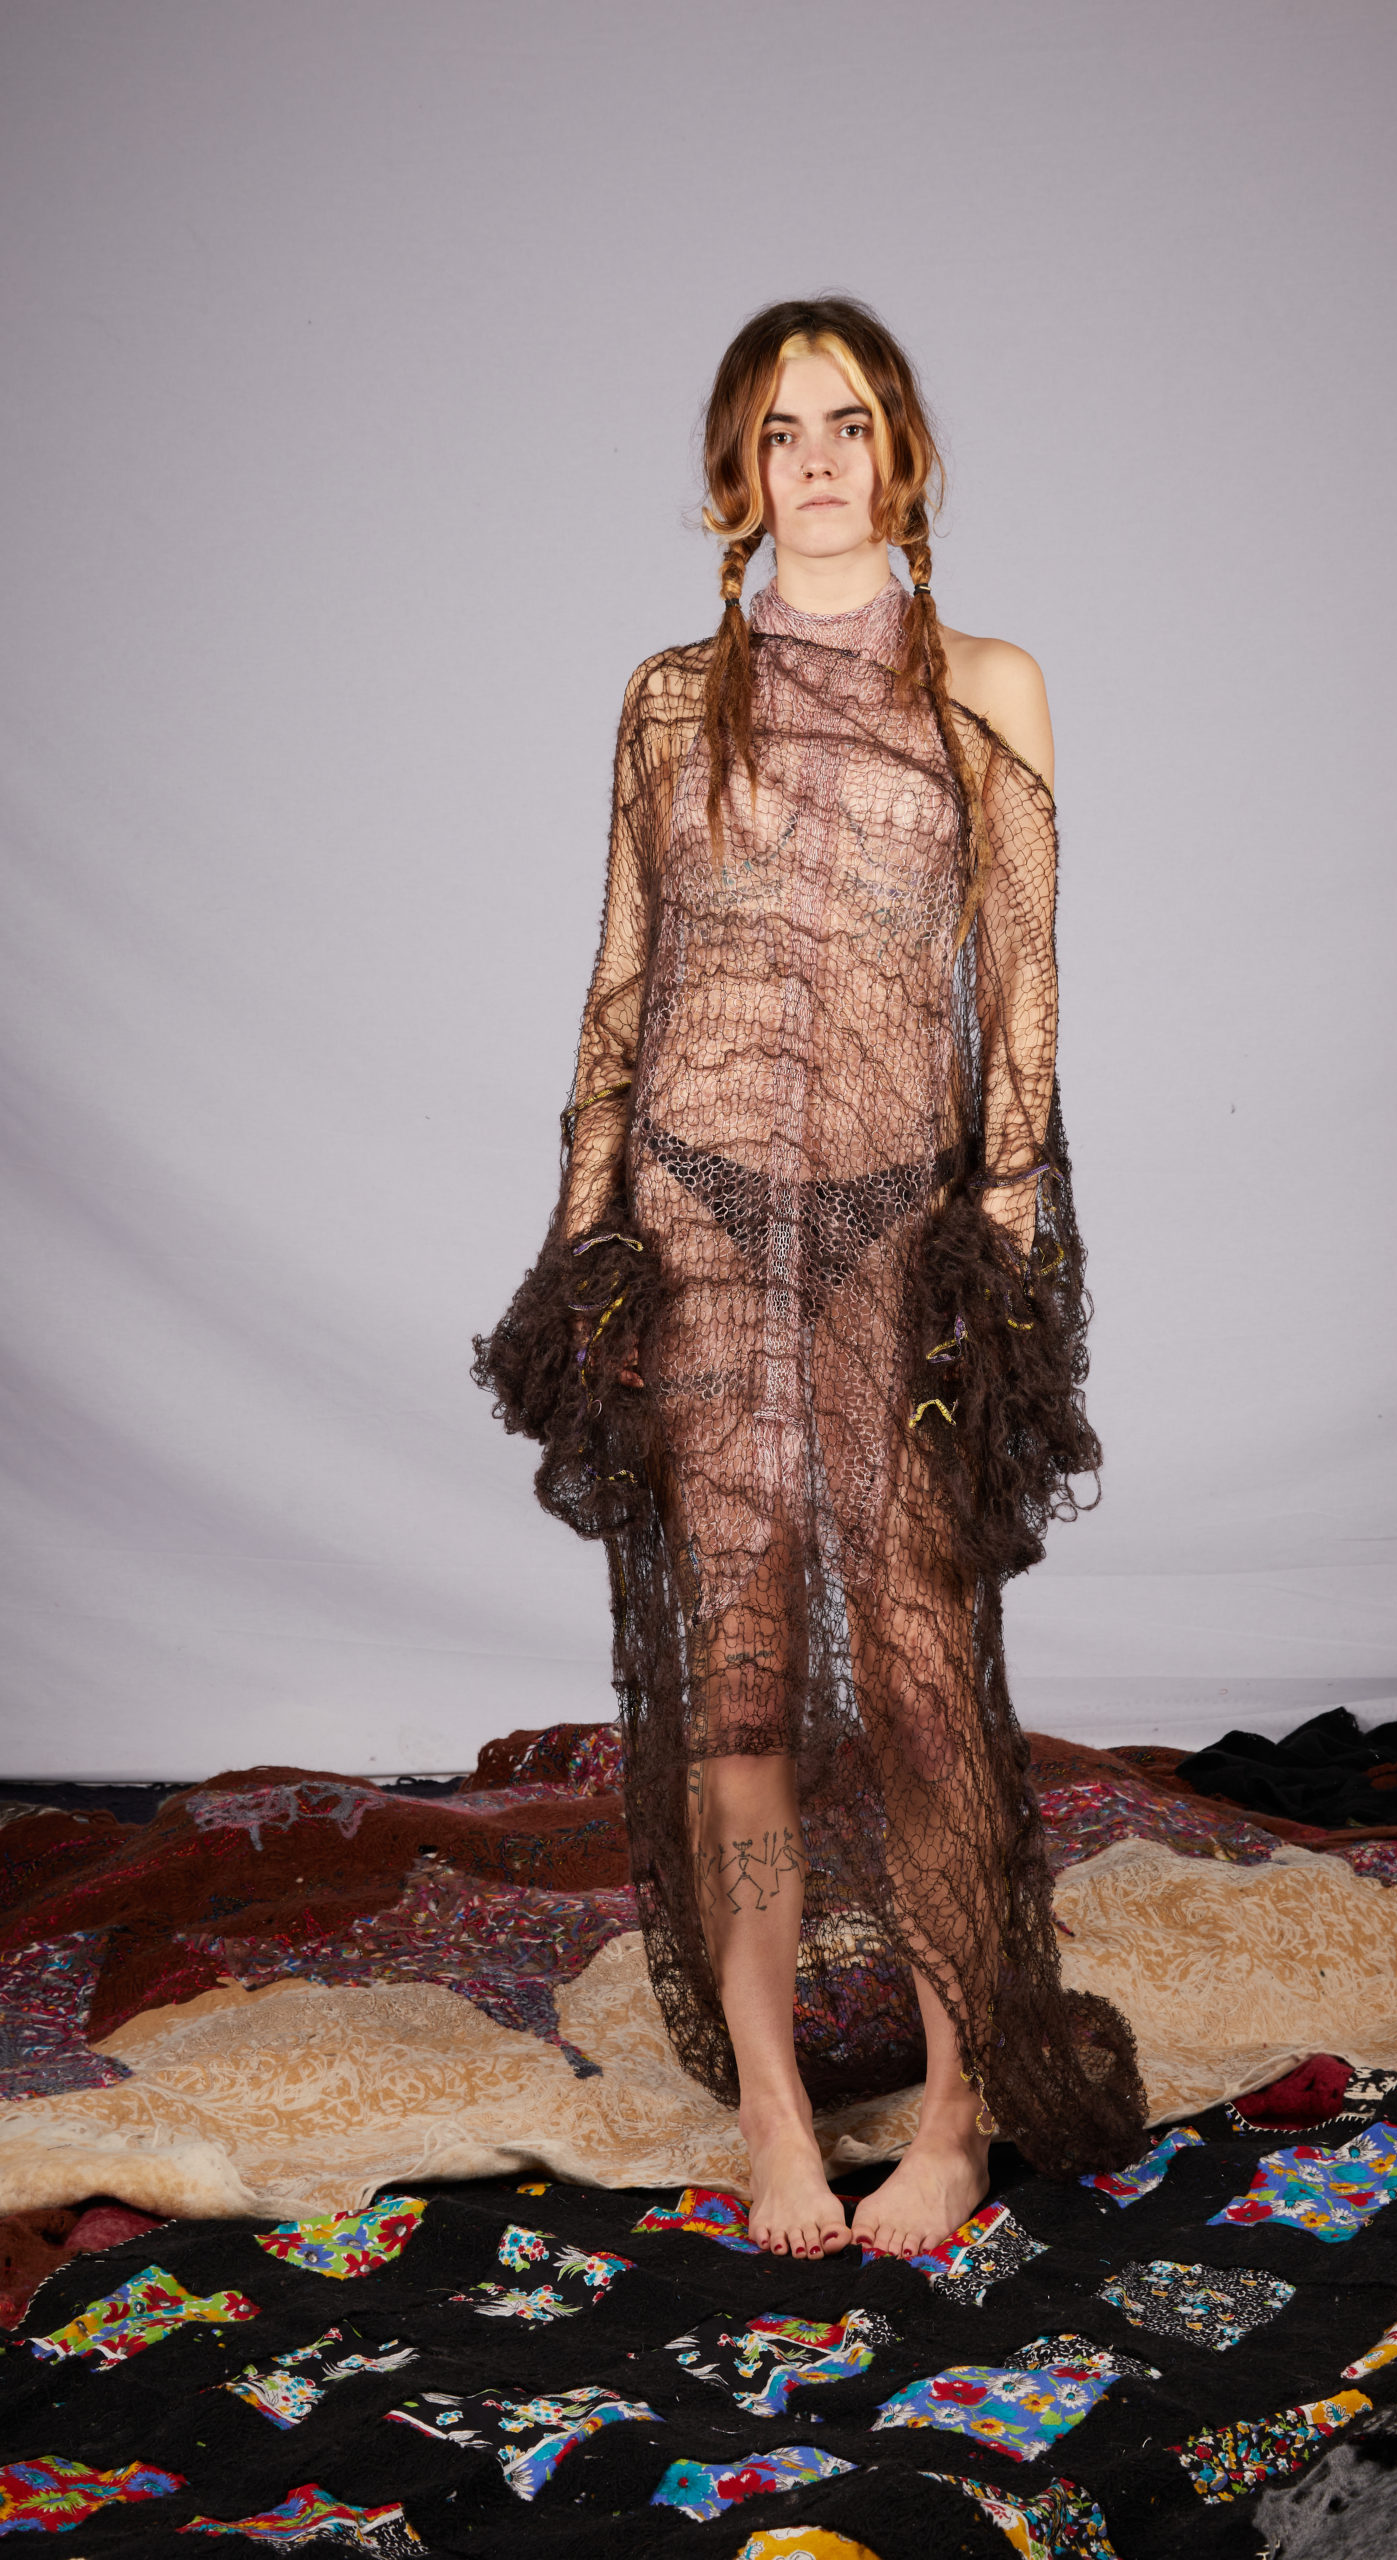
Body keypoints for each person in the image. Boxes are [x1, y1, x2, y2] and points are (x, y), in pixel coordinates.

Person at [474, 296, 1145, 2261]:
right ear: (737, 474)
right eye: (783, 433)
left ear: (902, 452)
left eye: (849, 423)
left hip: (889, 1232)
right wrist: (587, 1235)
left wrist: (998, 1241)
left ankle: (950, 2111)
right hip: (692, 1227)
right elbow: (621, 980)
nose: (820, 461)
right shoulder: (667, 700)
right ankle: (774, 2111)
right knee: (739, 1690)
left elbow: (1022, 993)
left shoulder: (989, 688)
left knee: (925, 1686)